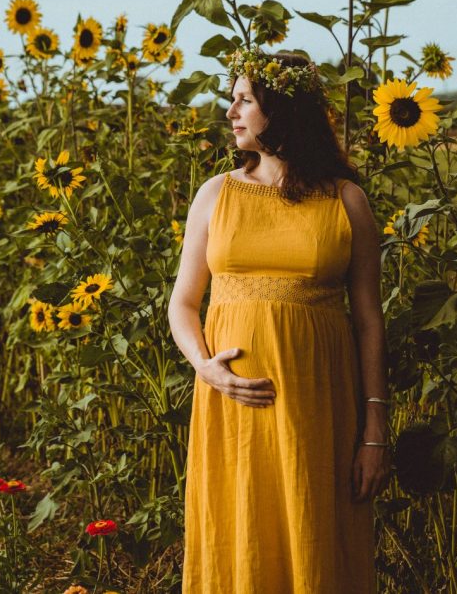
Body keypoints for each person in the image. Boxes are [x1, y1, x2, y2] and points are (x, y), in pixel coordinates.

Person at [168, 45, 393, 593]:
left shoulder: (346, 201)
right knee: (239, 533)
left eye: (244, 99)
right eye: (233, 99)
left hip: (318, 409)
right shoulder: (215, 194)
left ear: (283, 109)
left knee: (314, 537)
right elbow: (183, 304)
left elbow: (369, 322)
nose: (230, 111)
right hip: (231, 407)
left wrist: (374, 434)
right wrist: (206, 368)